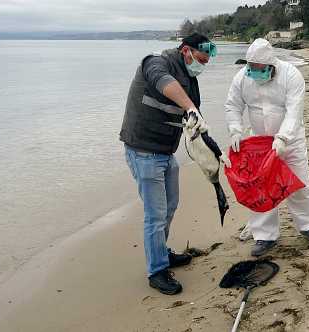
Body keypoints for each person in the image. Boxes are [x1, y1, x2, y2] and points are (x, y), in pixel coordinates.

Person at [120, 33, 217, 295]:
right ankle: (157, 271)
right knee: (156, 213)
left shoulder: (191, 80)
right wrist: (189, 107)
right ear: (186, 50)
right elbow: (166, 86)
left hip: (166, 153)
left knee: (170, 206)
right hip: (143, 152)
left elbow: (195, 118)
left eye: (206, 62)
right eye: (200, 59)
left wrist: (212, 148)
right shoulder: (155, 63)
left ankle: (162, 253)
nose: (202, 65)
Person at [224, 38, 309, 257]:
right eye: (251, 68)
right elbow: (233, 105)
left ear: (271, 65)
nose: (253, 72)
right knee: (260, 187)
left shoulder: (291, 75)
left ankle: (308, 225)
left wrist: (283, 138)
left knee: (299, 182)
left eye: (259, 69)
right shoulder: (243, 77)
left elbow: (294, 111)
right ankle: (264, 236)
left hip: (290, 140)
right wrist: (235, 129)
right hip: (259, 143)